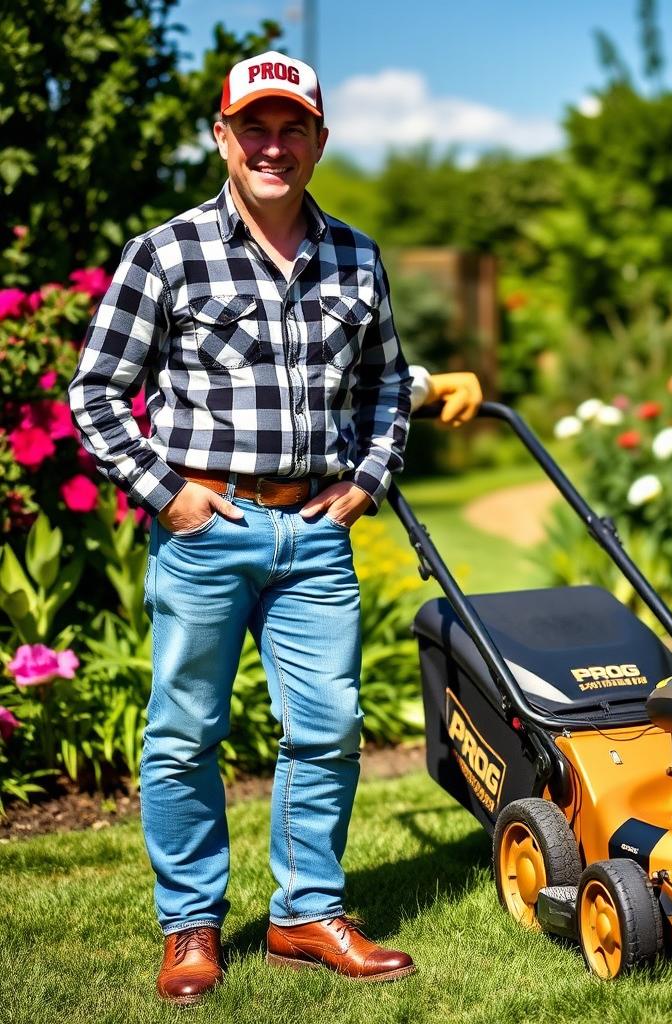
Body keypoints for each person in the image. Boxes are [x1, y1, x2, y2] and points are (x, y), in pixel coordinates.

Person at [68, 50, 481, 1006]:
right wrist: (165, 492)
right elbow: (94, 394)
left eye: (292, 126)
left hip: (315, 534)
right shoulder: (165, 253)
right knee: (182, 733)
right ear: (222, 136)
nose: (272, 144)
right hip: (205, 526)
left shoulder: (357, 256)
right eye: (254, 125)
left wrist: (371, 478)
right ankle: (191, 928)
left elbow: (385, 385)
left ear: (319, 141)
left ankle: (305, 913)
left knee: (329, 726)